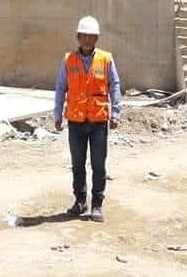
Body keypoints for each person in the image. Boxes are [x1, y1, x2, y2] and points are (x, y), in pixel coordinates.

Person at [54, 16, 121, 223]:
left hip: (98, 121)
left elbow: (115, 85)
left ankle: (97, 205)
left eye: (91, 37)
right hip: (75, 121)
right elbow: (60, 88)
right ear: (78, 37)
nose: (87, 41)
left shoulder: (106, 59)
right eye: (84, 36)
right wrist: (57, 114)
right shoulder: (68, 60)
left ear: (96, 38)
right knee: (78, 163)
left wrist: (116, 112)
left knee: (99, 164)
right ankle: (80, 200)